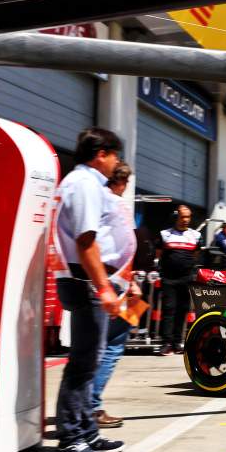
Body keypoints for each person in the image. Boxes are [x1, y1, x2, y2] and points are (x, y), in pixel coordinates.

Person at [52, 127, 126, 452]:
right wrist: (104, 287)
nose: (116, 163)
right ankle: (71, 440)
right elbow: (86, 242)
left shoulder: (84, 183)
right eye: (115, 156)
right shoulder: (84, 185)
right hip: (84, 280)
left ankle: (85, 431)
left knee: (90, 359)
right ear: (101, 154)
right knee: (83, 363)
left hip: (84, 279)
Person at [91, 162, 140, 430]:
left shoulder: (99, 200)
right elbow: (123, 247)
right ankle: (93, 406)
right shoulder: (117, 205)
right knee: (111, 346)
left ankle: (88, 405)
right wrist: (130, 282)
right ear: (123, 183)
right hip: (115, 283)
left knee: (102, 345)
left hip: (113, 281)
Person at [157, 205, 202, 356]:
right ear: (176, 217)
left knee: (182, 310)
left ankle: (177, 342)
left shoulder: (195, 235)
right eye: (183, 217)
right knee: (168, 310)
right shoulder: (165, 234)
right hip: (169, 279)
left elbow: (195, 255)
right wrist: (161, 273)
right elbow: (159, 255)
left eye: (188, 217)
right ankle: (166, 343)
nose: (186, 220)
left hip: (186, 279)